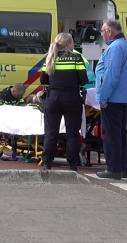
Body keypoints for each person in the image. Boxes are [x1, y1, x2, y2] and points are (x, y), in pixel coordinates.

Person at [39, 32, 89, 171]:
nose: (74, 45)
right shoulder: (76, 58)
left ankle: (47, 162)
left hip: (53, 98)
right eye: (72, 42)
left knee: (51, 132)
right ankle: (73, 165)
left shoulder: (50, 57)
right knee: (72, 133)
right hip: (72, 98)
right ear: (68, 44)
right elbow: (84, 80)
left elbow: (43, 80)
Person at [95, 19, 127, 180]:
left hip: (114, 98)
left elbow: (111, 75)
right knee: (120, 134)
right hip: (124, 96)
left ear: (110, 31)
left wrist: (103, 97)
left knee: (111, 135)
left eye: (103, 31)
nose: (101, 34)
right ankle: (121, 168)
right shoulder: (126, 45)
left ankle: (113, 169)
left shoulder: (115, 48)